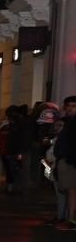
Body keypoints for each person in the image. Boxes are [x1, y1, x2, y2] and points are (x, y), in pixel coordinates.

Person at [52, 96, 76, 229]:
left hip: (70, 161)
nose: (71, 108)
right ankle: (68, 218)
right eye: (69, 105)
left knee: (71, 191)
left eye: (74, 105)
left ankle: (71, 219)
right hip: (65, 160)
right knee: (68, 190)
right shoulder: (67, 122)